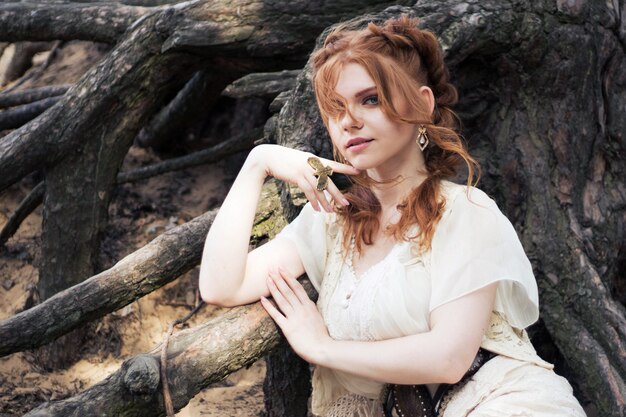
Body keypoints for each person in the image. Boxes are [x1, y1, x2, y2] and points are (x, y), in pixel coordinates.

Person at [199, 14, 586, 417]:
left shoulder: (467, 212)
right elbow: (222, 285)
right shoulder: (333, 219)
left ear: (422, 102)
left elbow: (449, 358)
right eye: (336, 109)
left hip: (500, 402)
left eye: (370, 99)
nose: (349, 121)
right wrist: (256, 164)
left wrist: (322, 348)